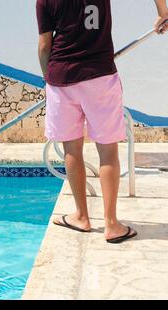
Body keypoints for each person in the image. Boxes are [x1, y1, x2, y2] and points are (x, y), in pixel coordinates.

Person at [36, 0, 167, 243]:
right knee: (108, 151)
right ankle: (111, 224)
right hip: (100, 76)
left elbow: (45, 46)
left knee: (71, 149)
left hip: (62, 78)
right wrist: (163, 13)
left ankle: (81, 217)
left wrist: (48, 79)